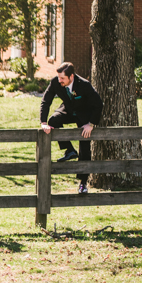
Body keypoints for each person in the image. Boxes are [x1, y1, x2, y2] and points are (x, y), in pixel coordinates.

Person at [40, 62, 103, 194]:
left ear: (71, 76)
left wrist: (91, 124)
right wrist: (43, 122)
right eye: (58, 77)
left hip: (84, 114)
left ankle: (83, 183)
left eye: (62, 78)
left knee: (85, 146)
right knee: (53, 120)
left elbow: (98, 104)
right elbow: (46, 100)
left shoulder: (84, 85)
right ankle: (69, 150)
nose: (59, 80)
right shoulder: (56, 83)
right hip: (68, 110)